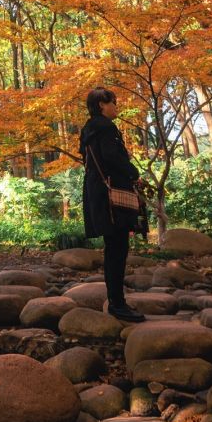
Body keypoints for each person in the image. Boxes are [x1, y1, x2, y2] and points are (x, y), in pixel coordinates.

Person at [80, 86, 146, 323]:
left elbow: (86, 159)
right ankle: (118, 304)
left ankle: (116, 301)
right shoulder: (106, 127)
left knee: (113, 248)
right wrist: (133, 173)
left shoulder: (88, 130)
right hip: (113, 196)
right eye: (113, 103)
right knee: (118, 248)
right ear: (101, 105)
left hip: (97, 192)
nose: (116, 107)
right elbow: (111, 157)